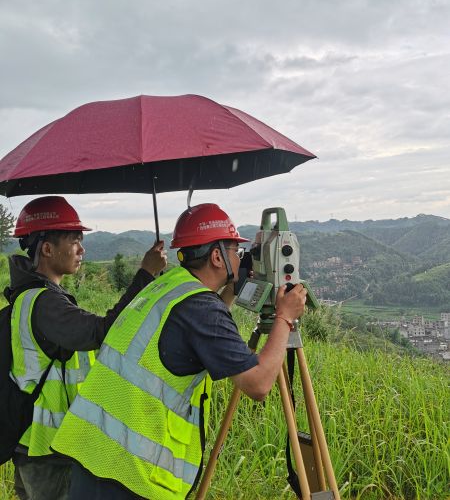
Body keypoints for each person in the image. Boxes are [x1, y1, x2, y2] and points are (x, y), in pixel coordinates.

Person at [51, 202, 307, 500]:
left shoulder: (169, 286)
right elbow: (260, 383)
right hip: (133, 475)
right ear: (216, 256)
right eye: (235, 251)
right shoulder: (202, 310)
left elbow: (197, 331)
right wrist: (284, 317)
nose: (240, 258)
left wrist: (233, 289)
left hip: (94, 454)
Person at [6, 195, 167, 500]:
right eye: (74, 240)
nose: (82, 249)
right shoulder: (44, 302)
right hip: (47, 447)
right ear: (48, 248)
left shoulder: (30, 295)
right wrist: (145, 275)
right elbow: (102, 332)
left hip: (34, 441)